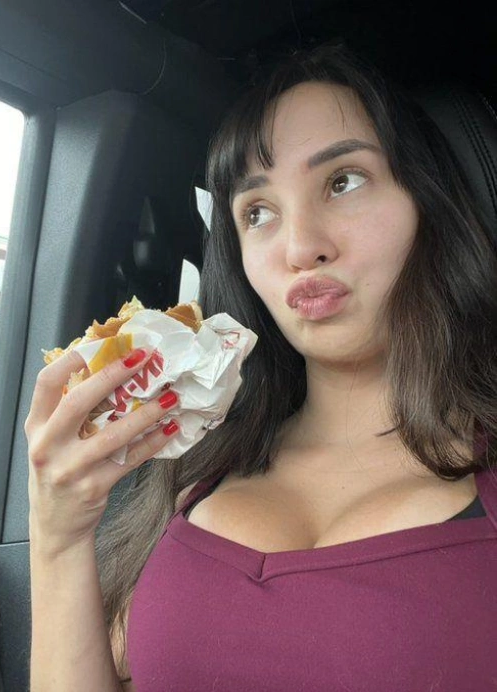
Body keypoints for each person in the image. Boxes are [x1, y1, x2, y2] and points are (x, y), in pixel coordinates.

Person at [26, 44, 497, 691]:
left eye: (344, 181)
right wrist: (58, 537)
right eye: (258, 212)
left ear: (430, 203)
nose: (300, 246)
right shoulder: (193, 471)